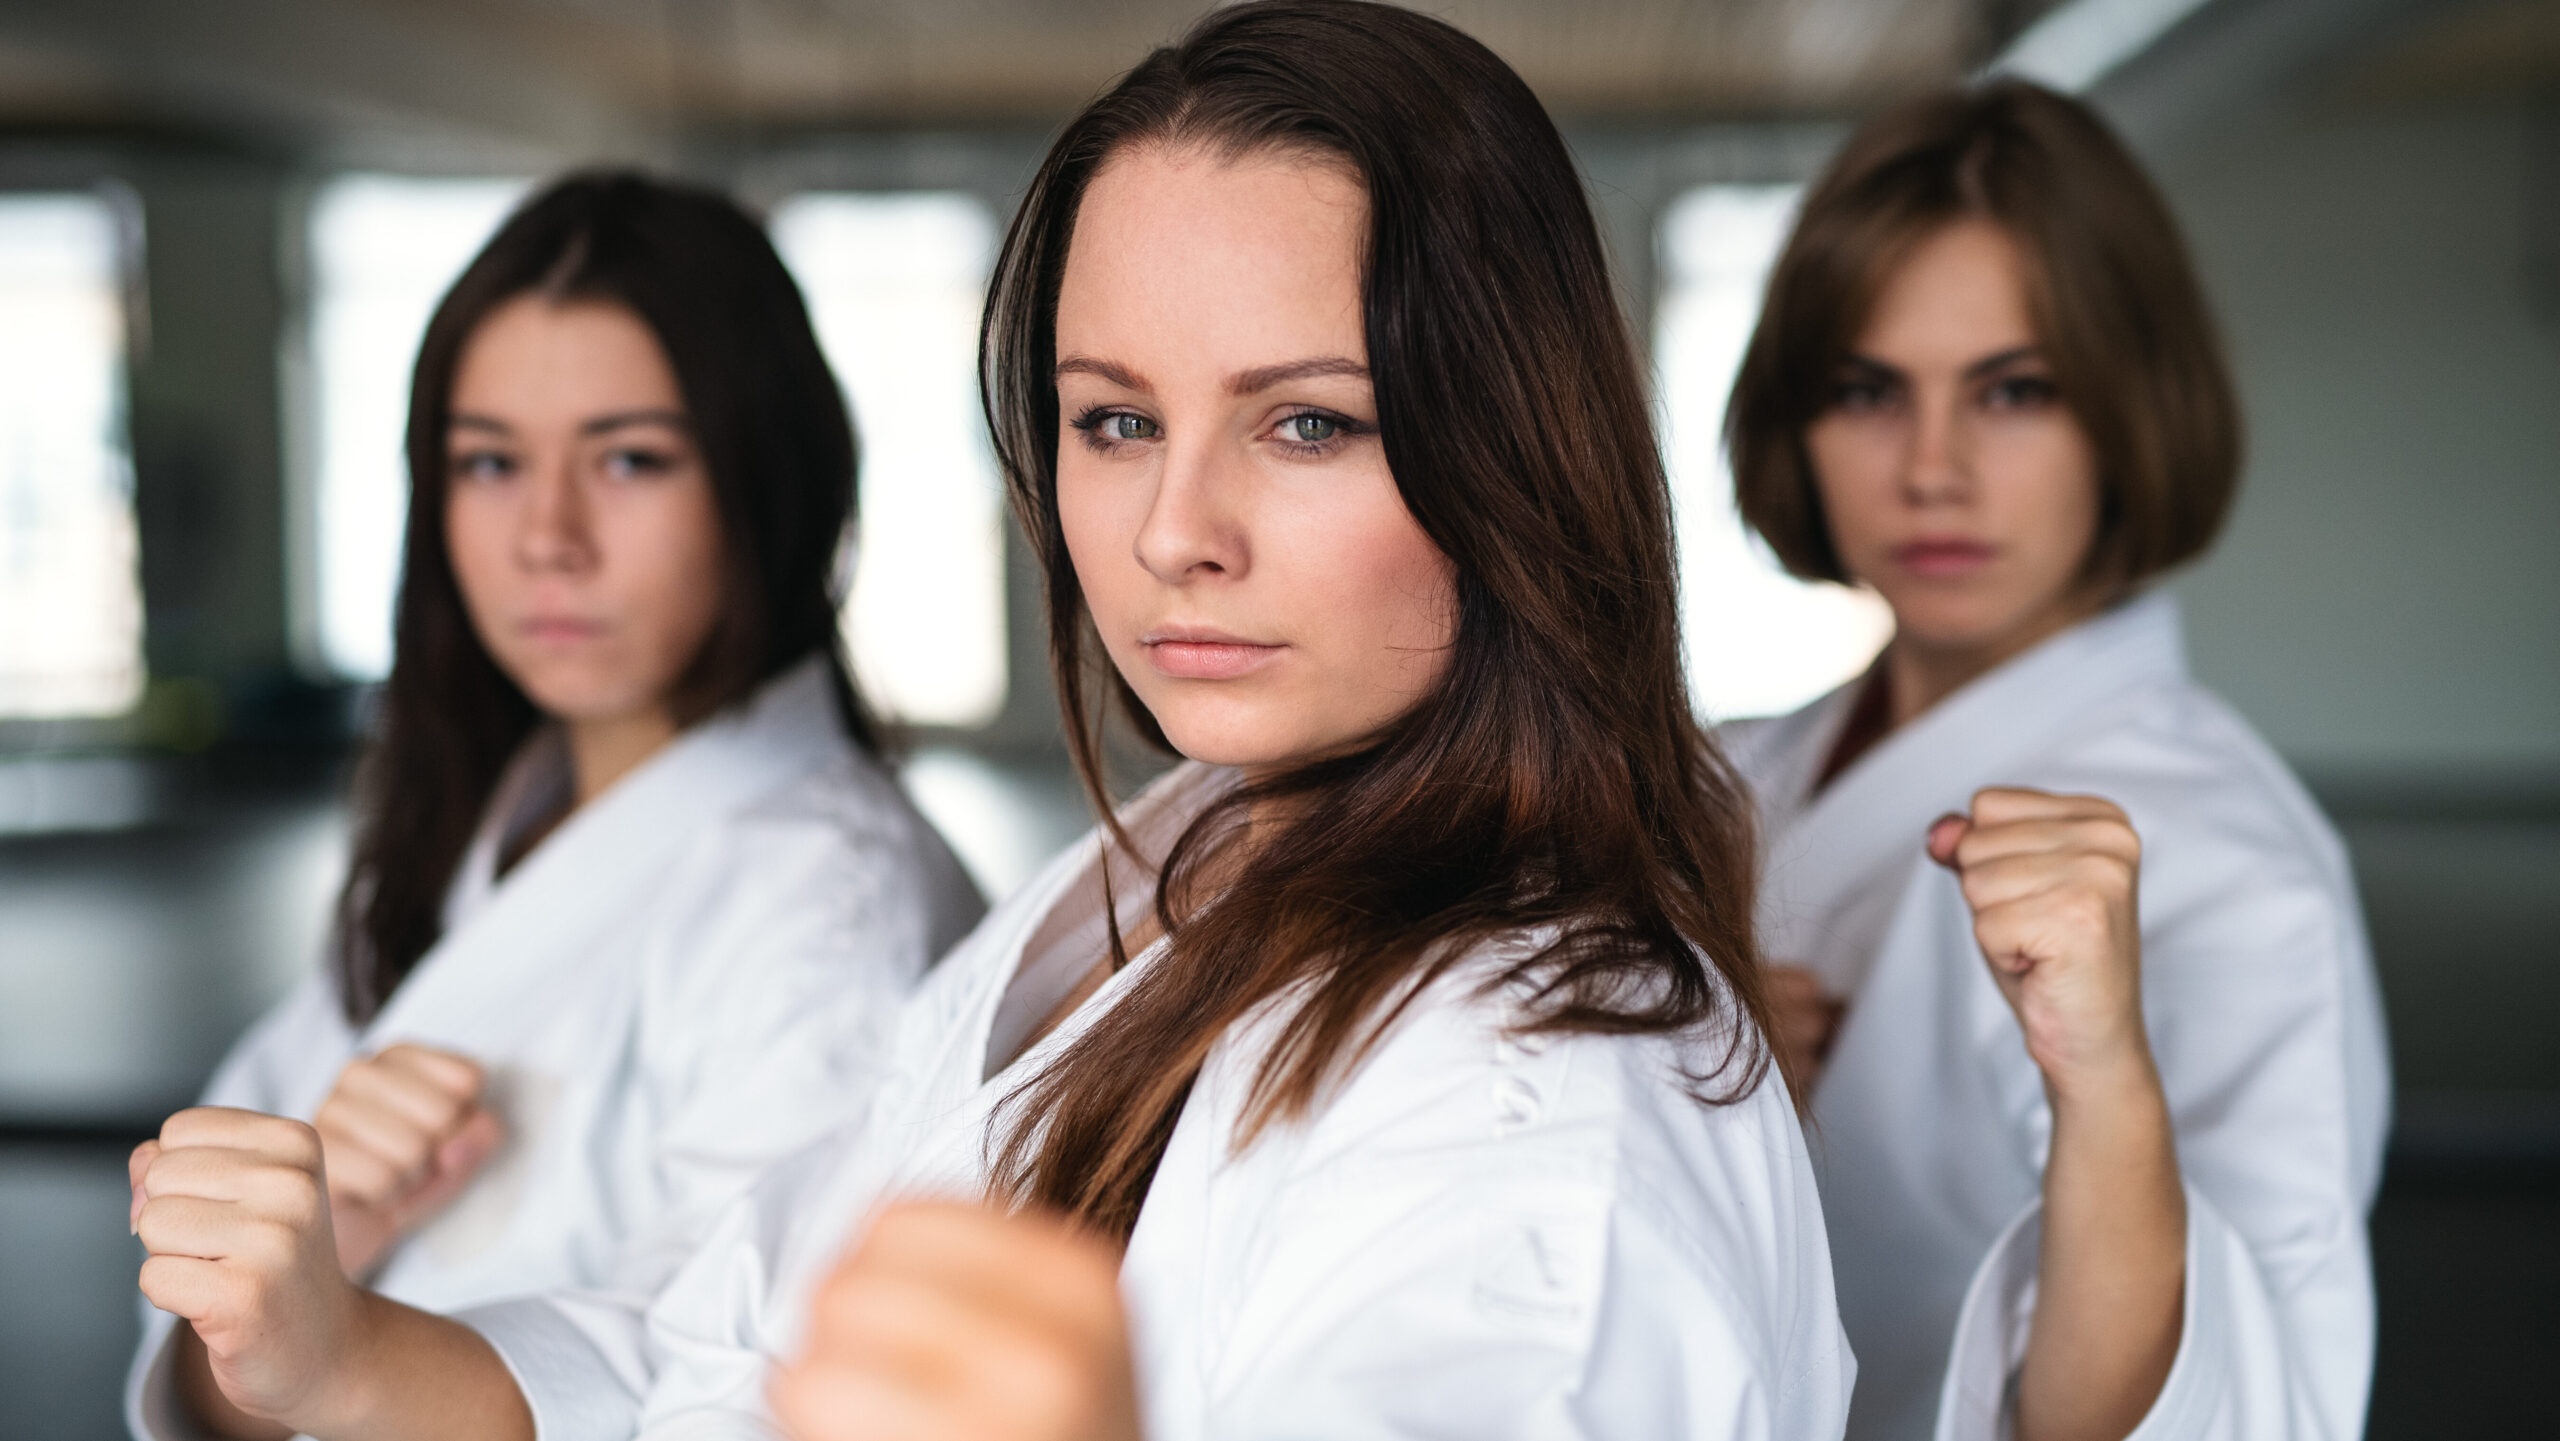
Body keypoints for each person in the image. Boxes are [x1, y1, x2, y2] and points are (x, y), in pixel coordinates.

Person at [124, 6, 1856, 1439]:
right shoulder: (1141, 884)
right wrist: (332, 1354)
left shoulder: (1550, 1117)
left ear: (1515, 445)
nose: (1177, 529)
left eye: (1308, 425)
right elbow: (707, 1363)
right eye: (1113, 422)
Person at [124, 172, 983, 1441]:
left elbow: (751, 1377)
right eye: (489, 462)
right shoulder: (476, 825)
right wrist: (316, 1264)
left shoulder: (830, 897)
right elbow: (219, 1357)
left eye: (630, 457)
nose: (548, 536)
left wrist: (347, 1348)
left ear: (770, 482)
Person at [1716, 81, 2390, 1441]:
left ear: (2128, 409)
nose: (1933, 468)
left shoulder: (2232, 862)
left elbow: (2247, 1417)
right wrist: (1708, 1099)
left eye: (2015, 391)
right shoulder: (1717, 782)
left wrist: (2107, 1080)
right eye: (1865, 391)